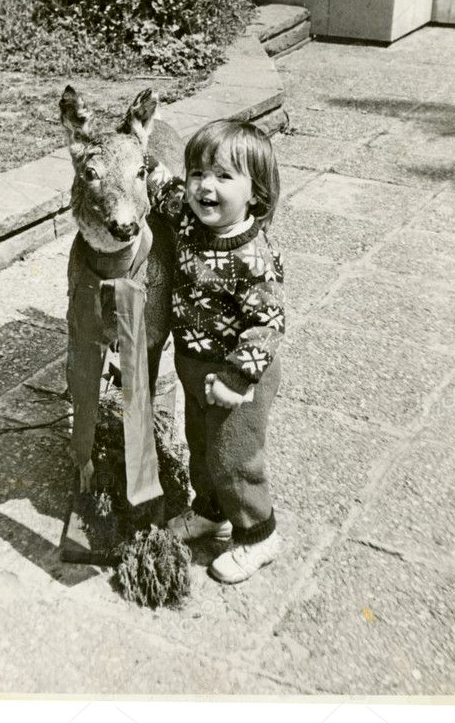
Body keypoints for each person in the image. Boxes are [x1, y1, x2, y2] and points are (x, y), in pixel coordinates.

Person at [147, 119, 285, 584]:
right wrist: (136, 154)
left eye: (224, 176)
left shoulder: (253, 259)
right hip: (193, 364)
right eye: (198, 174)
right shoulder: (186, 216)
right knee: (202, 445)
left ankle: (257, 535)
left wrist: (236, 380)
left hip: (236, 378)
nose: (205, 187)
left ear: (256, 193)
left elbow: (267, 325)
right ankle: (210, 511)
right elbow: (161, 186)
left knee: (234, 456)